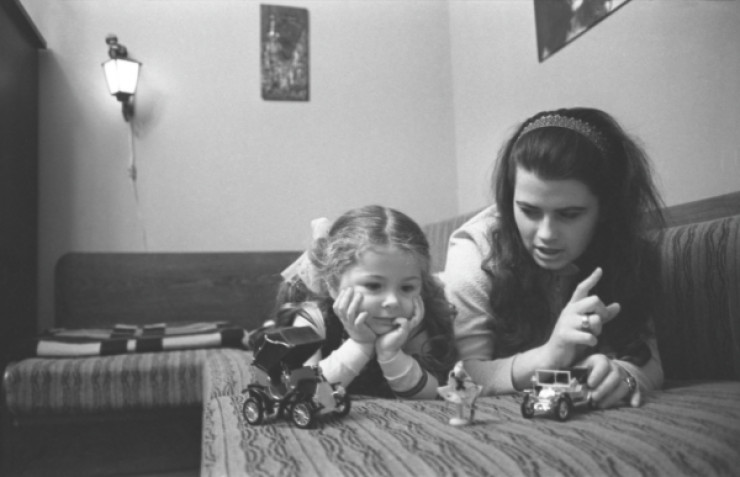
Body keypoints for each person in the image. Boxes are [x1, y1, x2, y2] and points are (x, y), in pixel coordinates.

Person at [443, 107, 665, 409]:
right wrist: (549, 355)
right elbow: (462, 377)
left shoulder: (626, 251)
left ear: (605, 209)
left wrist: (622, 376)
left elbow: (648, 359)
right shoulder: (475, 249)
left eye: (569, 214)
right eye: (529, 211)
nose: (546, 234)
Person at [258, 205, 457, 399]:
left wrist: (391, 354)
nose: (393, 301)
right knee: (262, 338)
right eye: (373, 286)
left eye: (407, 288)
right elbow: (306, 394)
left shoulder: (410, 321)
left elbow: (433, 394)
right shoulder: (314, 320)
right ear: (332, 285)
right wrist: (360, 345)